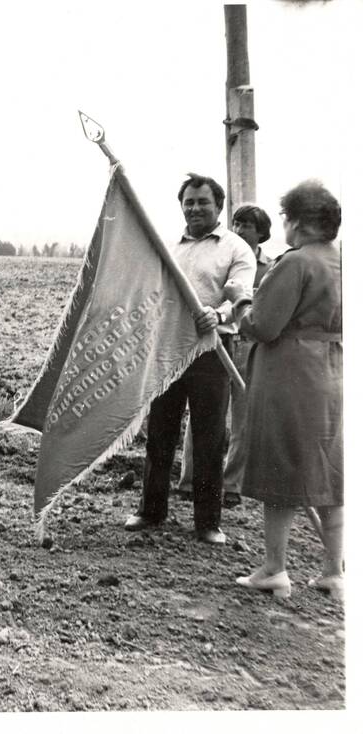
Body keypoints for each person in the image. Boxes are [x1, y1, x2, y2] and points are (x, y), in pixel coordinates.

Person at [124, 173, 255, 544]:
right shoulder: (171, 247)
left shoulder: (235, 248)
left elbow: (241, 293)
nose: (195, 208)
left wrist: (220, 314)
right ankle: (150, 511)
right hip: (169, 350)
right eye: (189, 202)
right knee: (160, 431)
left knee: (209, 436)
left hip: (211, 352)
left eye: (203, 202)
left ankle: (208, 523)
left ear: (219, 207)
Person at [232, 180, 342, 599]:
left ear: (297, 220)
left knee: (281, 467)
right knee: (331, 472)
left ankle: (274, 568)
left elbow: (262, 324)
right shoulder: (343, 260)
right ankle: (334, 571)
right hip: (332, 370)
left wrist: (242, 300)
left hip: (290, 372)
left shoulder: (295, 263)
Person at [176, 205, 274, 508]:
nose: (240, 229)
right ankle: (189, 481)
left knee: (243, 415)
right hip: (221, 338)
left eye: (248, 225)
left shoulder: (269, 267)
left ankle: (231, 485)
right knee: (205, 414)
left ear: (262, 233)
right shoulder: (223, 253)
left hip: (252, 345)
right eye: (237, 223)